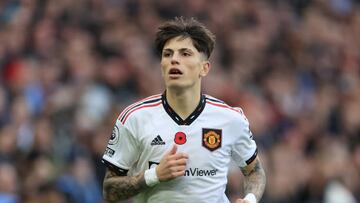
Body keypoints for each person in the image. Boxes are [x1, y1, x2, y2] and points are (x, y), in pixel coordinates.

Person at [102, 16, 266, 203]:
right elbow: (109, 192)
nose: (174, 60)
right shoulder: (134, 118)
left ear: (204, 68)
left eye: (185, 53)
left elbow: (255, 172)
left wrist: (251, 198)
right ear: (161, 67)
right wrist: (154, 175)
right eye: (168, 54)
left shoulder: (230, 119)